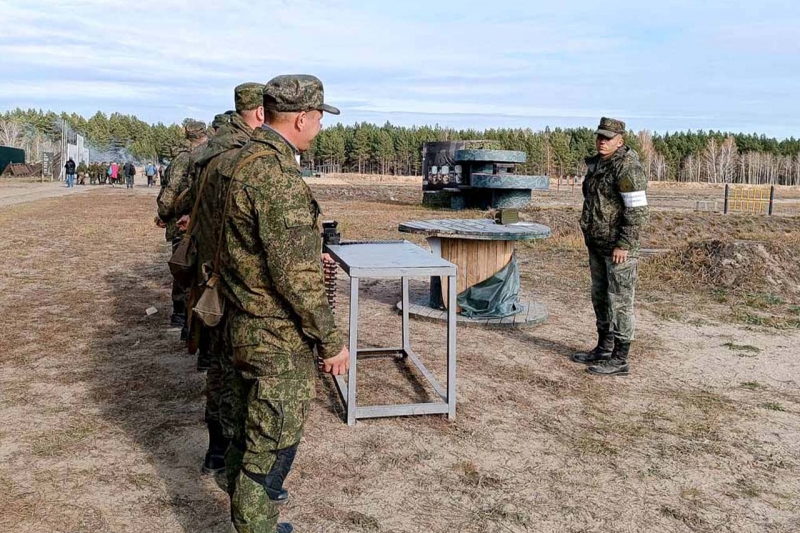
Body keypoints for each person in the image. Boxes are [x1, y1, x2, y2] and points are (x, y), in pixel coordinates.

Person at [220, 75, 349, 533]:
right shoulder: (275, 175)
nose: (318, 126)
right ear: (301, 118)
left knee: (247, 430)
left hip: (237, 321)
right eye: (318, 117)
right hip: (273, 334)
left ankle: (246, 505)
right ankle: (257, 525)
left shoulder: (234, 160)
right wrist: (331, 341)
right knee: (271, 443)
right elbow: (296, 278)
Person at [178, 84, 265, 477]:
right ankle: (234, 455)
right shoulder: (247, 157)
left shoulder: (207, 154)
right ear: (260, 112)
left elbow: (178, 204)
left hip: (206, 273)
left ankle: (215, 448)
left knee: (215, 365)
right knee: (236, 370)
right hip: (236, 277)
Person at [571, 117, 649, 376]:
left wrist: (624, 243)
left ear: (620, 141)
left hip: (618, 248)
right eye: (599, 137)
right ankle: (604, 347)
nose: (602, 142)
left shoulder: (627, 168)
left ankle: (620, 358)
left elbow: (637, 211)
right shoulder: (597, 165)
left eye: (608, 138)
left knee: (620, 301)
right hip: (597, 243)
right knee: (601, 297)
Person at [156, 122, 208, 332]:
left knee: (183, 268)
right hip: (202, 222)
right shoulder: (215, 152)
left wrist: (163, 214)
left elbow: (171, 193)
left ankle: (182, 317)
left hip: (183, 222)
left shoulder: (185, 158)